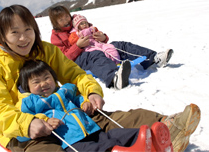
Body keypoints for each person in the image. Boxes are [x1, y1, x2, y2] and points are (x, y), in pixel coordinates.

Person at [0, 4, 200, 152]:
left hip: (63, 111)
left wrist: (91, 92)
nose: (24, 37)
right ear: (2, 36)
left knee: (104, 119)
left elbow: (75, 74)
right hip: (25, 132)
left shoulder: (45, 50)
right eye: (15, 32)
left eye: (28, 29)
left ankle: (166, 127)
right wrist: (28, 124)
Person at [16, 60, 173, 152]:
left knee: (117, 135)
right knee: (104, 147)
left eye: (47, 78)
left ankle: (148, 139)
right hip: (73, 143)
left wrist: (84, 102)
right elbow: (24, 128)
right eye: (36, 82)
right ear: (27, 87)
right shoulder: (29, 103)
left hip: (92, 129)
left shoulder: (63, 92)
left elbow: (77, 100)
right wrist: (43, 122)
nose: (43, 83)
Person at [49, 5, 174, 90]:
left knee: (119, 45)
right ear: (55, 23)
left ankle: (154, 58)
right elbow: (63, 58)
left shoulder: (77, 21)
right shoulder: (56, 37)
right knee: (96, 55)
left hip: (95, 46)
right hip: (79, 58)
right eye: (61, 19)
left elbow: (93, 33)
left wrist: (103, 38)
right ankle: (114, 79)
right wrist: (77, 46)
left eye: (66, 16)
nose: (66, 20)